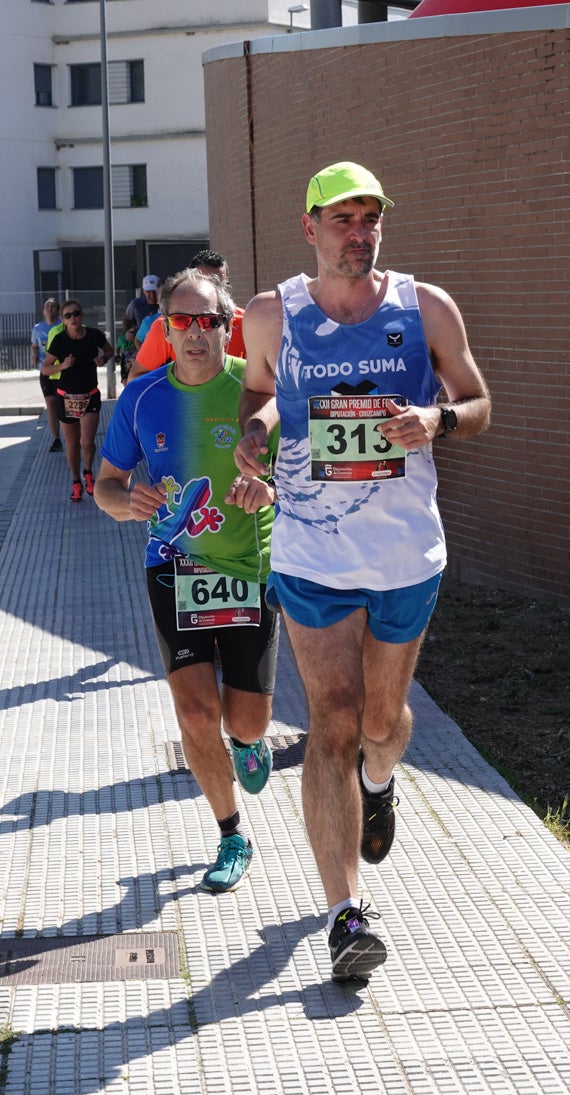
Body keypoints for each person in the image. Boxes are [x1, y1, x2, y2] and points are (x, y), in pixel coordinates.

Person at [229, 161, 491, 982]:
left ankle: (380, 779)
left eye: (368, 219)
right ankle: (346, 915)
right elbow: (264, 393)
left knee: (383, 722)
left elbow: (479, 401)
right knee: (331, 720)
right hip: (310, 552)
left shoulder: (425, 307)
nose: (357, 232)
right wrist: (257, 433)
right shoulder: (274, 311)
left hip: (404, 553)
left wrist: (436, 417)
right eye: (341, 219)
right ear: (309, 227)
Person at [94, 268, 279, 894]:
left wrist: (267, 486)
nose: (195, 333)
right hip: (174, 571)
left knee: (246, 721)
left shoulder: (256, 391)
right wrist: (129, 503)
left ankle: (250, 744)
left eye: (208, 321)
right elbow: (106, 487)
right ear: (163, 328)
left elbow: (300, 480)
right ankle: (231, 833)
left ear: (227, 328)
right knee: (197, 712)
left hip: (251, 570)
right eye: (182, 321)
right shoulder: (142, 398)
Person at [127, 251, 245, 383]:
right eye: (204, 282)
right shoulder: (170, 323)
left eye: (219, 283)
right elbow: (136, 380)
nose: (211, 289)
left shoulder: (247, 322)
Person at [42, 300, 114, 502]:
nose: (73, 318)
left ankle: (88, 472)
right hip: (66, 397)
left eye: (76, 314)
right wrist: (63, 366)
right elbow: (45, 369)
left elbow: (110, 351)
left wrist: (103, 359)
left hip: (90, 394)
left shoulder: (94, 336)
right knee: (73, 444)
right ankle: (75, 482)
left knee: (87, 441)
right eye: (68, 315)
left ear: (82, 315)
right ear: (64, 320)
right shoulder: (59, 340)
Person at [30, 298, 63, 451]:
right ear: (43, 310)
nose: (50, 309)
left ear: (57, 310)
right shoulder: (37, 328)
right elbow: (34, 345)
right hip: (45, 371)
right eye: (47, 306)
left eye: (53, 306)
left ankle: (71, 435)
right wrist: (34, 355)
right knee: (50, 405)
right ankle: (56, 439)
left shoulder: (62, 326)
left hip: (61, 371)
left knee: (61, 404)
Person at [115, 320, 137, 385]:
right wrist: (117, 355)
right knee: (125, 380)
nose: (131, 334)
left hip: (134, 358)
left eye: (133, 332)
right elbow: (117, 347)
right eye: (130, 332)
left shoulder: (137, 337)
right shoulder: (122, 338)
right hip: (125, 359)